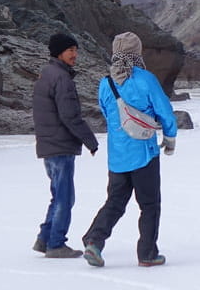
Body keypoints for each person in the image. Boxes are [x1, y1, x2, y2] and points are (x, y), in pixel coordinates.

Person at [81, 32, 178, 268]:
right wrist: (170, 137)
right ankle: (147, 253)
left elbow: (106, 113)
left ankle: (94, 241)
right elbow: (164, 111)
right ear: (137, 53)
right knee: (149, 205)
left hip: (117, 156)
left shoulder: (106, 83)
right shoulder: (146, 79)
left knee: (115, 202)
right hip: (144, 153)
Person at [32, 32, 99, 258]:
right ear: (59, 52)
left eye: (76, 50)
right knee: (64, 198)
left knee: (59, 195)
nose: (75, 55)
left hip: (48, 145)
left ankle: (44, 239)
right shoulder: (61, 78)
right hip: (60, 147)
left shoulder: (47, 74)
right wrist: (90, 140)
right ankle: (56, 244)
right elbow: (70, 116)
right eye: (71, 50)